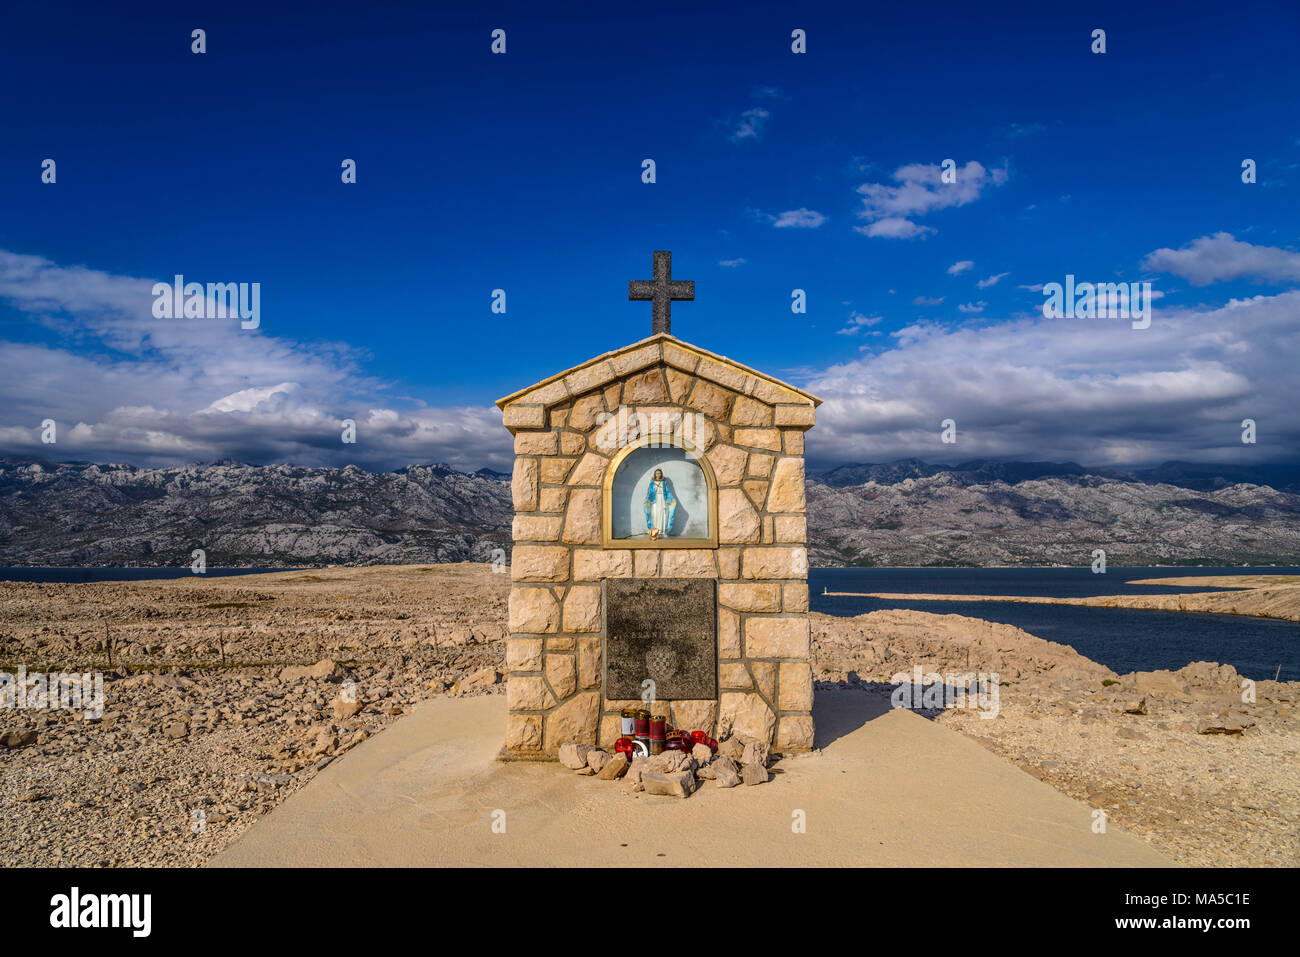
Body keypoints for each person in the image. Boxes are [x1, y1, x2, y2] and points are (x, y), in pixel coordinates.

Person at [643, 468, 677, 539]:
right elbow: (649, 492)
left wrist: (671, 499)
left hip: (662, 499)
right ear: (655, 474)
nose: (658, 474)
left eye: (659, 473)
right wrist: (647, 499)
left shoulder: (664, 483)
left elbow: (667, 492)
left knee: (663, 514)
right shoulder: (652, 483)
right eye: (657, 473)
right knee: (655, 515)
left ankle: (662, 531)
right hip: (655, 501)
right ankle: (655, 531)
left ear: (661, 474)